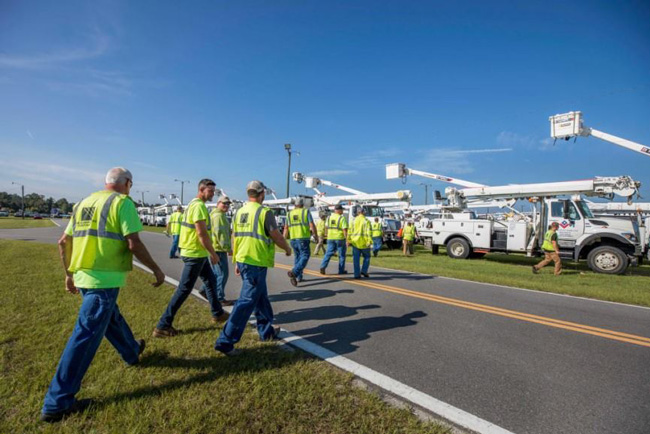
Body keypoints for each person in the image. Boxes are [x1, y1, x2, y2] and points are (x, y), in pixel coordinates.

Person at [41, 167, 165, 423]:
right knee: (85, 336)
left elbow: (63, 242)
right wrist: (156, 269)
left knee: (111, 318)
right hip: (104, 279)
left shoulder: (84, 202)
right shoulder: (122, 203)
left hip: (85, 276)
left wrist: (69, 273)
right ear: (128, 183)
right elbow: (133, 242)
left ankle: (131, 351)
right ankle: (57, 402)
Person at [215, 181, 292, 356]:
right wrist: (287, 248)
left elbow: (236, 237)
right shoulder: (265, 212)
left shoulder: (240, 211)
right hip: (255, 262)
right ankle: (225, 341)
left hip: (244, 260)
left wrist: (237, 261)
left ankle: (266, 332)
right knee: (246, 302)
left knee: (261, 297)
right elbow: (276, 236)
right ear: (262, 193)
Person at [153, 179, 228, 337]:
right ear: (201, 190)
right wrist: (213, 254)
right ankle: (163, 325)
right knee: (184, 289)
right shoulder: (199, 207)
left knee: (211, 281)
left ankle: (218, 313)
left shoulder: (192, 204)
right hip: (194, 253)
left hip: (195, 252)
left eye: (214, 191)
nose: (213, 194)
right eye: (210, 191)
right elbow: (201, 233)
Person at [199, 196, 234, 305]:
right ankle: (219, 297)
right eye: (224, 203)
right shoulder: (218, 216)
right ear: (218, 203)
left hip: (215, 248)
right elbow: (221, 235)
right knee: (222, 274)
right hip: (218, 249)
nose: (226, 206)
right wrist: (228, 248)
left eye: (228, 204)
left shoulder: (217, 215)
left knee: (215, 273)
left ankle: (204, 289)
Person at [284, 197, 318, 286]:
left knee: (297, 257)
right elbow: (312, 225)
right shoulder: (305, 211)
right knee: (305, 255)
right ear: (302, 205)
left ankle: (298, 277)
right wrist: (315, 236)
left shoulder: (289, 214)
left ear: (295, 205)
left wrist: (284, 240)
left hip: (293, 239)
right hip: (303, 238)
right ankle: (294, 272)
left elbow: (286, 228)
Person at [320, 204, 349, 275]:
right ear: (338, 210)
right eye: (342, 209)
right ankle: (341, 270)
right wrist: (347, 239)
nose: (342, 211)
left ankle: (323, 266)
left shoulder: (329, 217)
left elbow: (326, 227)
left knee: (328, 253)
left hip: (330, 238)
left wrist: (326, 235)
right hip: (339, 238)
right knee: (341, 255)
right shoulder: (342, 218)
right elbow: (344, 229)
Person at [348, 207, 372, 279]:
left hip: (355, 242)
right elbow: (369, 232)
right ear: (363, 212)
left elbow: (350, 231)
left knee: (356, 259)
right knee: (367, 257)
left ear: (358, 212)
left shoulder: (353, 220)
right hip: (364, 243)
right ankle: (364, 271)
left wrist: (348, 240)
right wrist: (369, 241)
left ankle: (356, 274)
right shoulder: (366, 221)